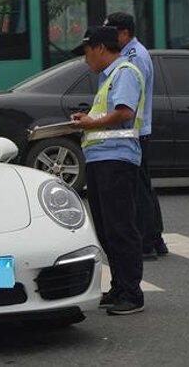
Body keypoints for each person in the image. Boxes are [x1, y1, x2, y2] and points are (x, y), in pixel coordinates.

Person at [70, 26, 145, 315]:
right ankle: (118, 288)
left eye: (86, 52)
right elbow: (109, 113)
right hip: (102, 160)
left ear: (100, 47)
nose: (85, 59)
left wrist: (91, 123)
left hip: (117, 160)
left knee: (120, 228)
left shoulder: (124, 71)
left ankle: (132, 293)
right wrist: (88, 119)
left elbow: (124, 113)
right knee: (106, 228)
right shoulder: (109, 76)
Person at [103, 12, 168, 258]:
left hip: (135, 131)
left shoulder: (133, 57)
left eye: (111, 33)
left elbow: (130, 99)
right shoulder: (135, 52)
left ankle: (147, 243)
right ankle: (155, 238)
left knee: (137, 191)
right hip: (139, 130)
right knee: (143, 187)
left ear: (124, 33)